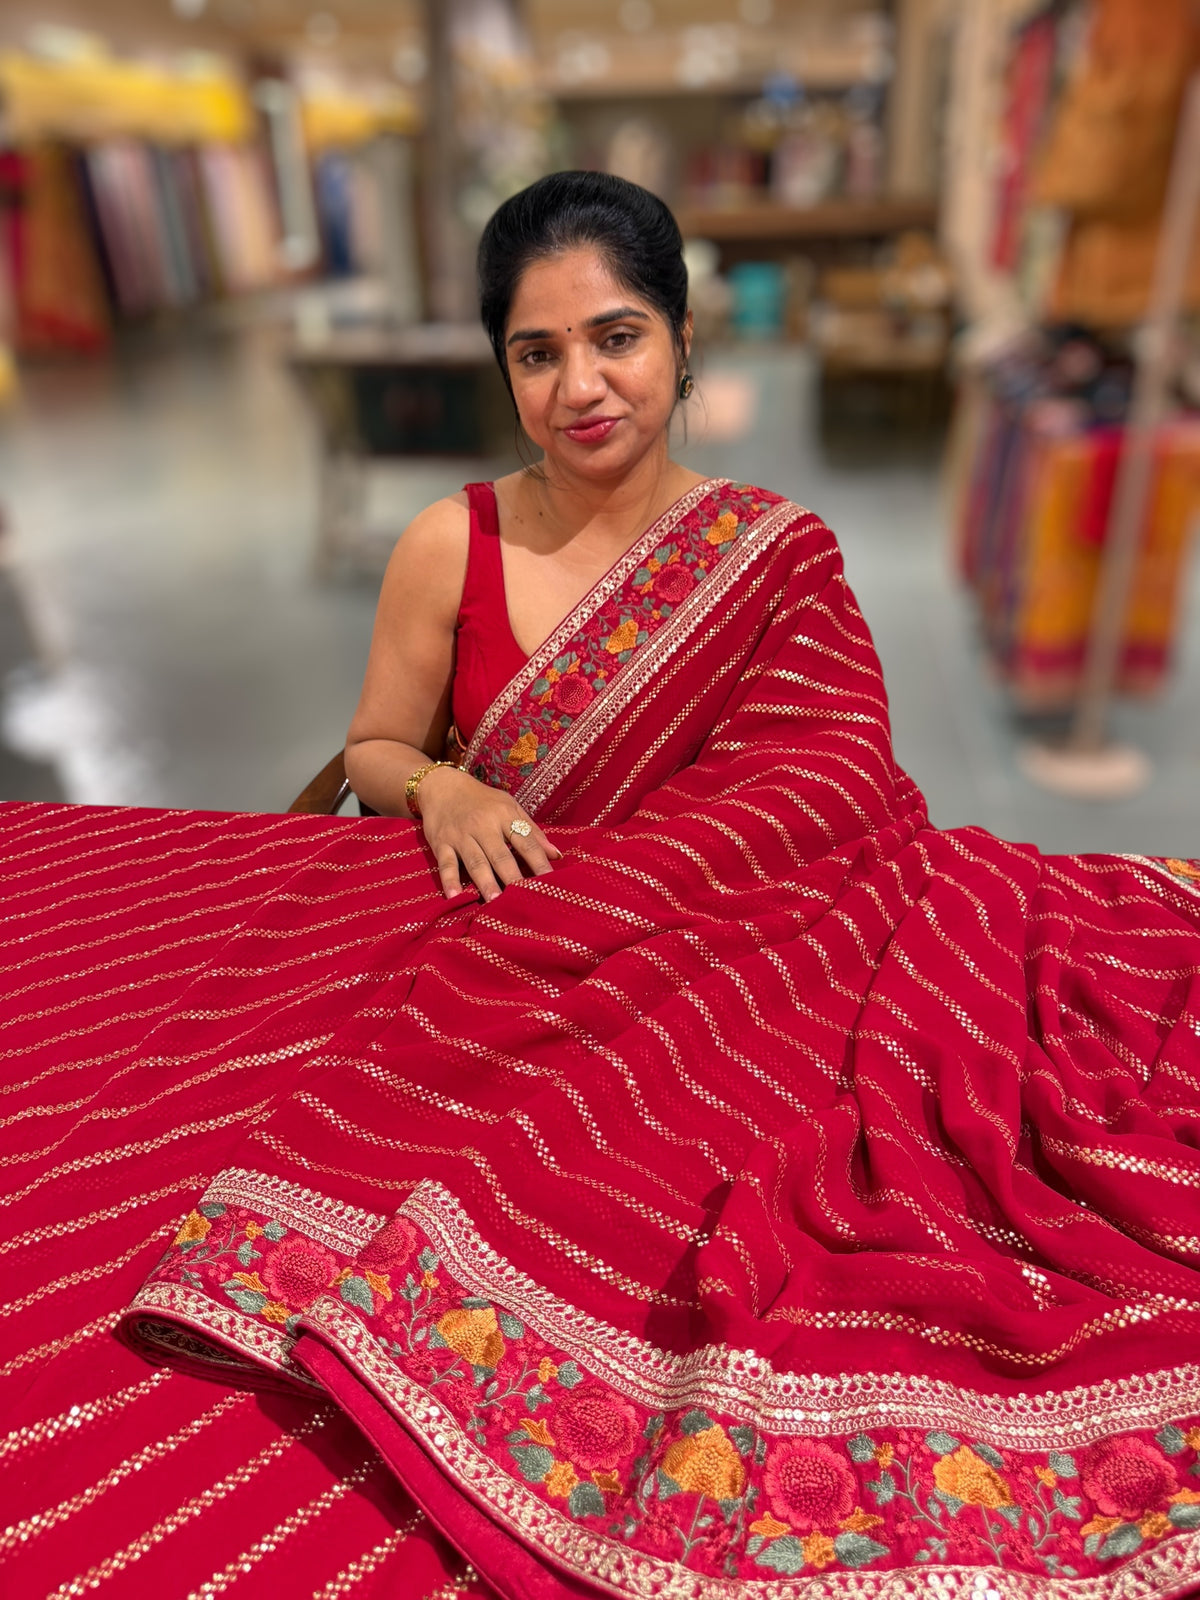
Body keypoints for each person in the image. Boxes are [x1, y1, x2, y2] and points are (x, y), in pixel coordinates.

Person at [2, 171, 1200, 1600]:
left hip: (747, 956)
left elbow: (829, 792)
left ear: (684, 344)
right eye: (537, 349)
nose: (583, 384)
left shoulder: (775, 556)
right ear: (503, 363)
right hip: (524, 934)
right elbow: (375, 747)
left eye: (617, 336)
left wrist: (644, 879)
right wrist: (441, 785)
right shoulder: (454, 543)